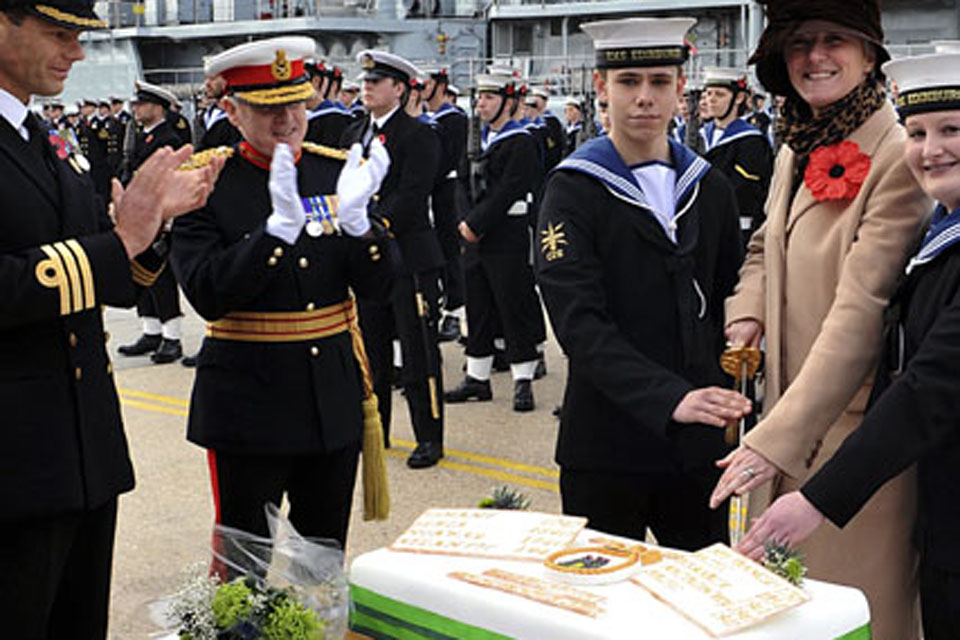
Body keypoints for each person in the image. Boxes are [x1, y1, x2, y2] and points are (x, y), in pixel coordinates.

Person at [707, 1, 931, 637]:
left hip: (847, 439)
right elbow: (762, 248)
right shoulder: (799, 144)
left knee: (853, 616)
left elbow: (860, 313)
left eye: (835, 39)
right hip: (784, 414)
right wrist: (746, 314)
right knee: (784, 616)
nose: (815, 57)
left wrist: (775, 439)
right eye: (800, 44)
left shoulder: (896, 153)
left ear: (869, 55)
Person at [0, 0, 220, 634]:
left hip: (80, 454)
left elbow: (110, 270)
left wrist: (152, 230)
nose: (76, 52)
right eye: (59, 33)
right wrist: (121, 240)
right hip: (10, 466)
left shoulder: (44, 139)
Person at [170, 36, 393, 550]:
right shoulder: (204, 181)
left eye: (295, 102)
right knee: (244, 567)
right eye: (267, 107)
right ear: (230, 109)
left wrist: (363, 229)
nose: (287, 119)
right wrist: (272, 234)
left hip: (330, 398)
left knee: (323, 557)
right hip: (249, 402)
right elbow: (206, 292)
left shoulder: (333, 170)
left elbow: (382, 287)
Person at [535, 16, 749, 551]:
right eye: (629, 83)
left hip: (699, 446)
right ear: (602, 88)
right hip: (607, 443)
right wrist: (669, 397)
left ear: (681, 89)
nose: (644, 98)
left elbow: (729, 293)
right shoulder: (572, 189)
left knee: (704, 608)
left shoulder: (710, 186)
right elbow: (578, 323)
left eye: (659, 81)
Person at [341, 50, 445, 469]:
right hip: (367, 258)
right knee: (373, 351)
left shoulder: (418, 134)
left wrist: (373, 225)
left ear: (399, 89)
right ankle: (376, 429)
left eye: (377, 81)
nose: (367, 87)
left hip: (407, 255)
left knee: (418, 354)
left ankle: (429, 436)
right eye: (365, 81)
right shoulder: (353, 132)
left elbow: (414, 193)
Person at [446, 70, 546, 413]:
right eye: (480, 98)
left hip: (506, 234)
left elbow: (510, 189)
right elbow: (460, 181)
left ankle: (523, 379)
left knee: (511, 305)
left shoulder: (521, 141)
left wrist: (475, 223)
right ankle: (477, 376)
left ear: (508, 101)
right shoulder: (477, 139)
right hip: (475, 236)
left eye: (489, 98)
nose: (481, 104)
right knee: (478, 307)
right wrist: (464, 220)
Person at [117, 81, 189, 364]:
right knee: (140, 271)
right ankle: (151, 330)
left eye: (141, 104)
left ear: (157, 108)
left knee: (160, 276)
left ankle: (172, 337)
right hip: (138, 215)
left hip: (158, 217)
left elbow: (168, 181)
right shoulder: (142, 136)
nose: (136, 109)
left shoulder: (167, 139)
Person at [700, 67, 774, 246]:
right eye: (708, 93)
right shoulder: (700, 135)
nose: (711, 100)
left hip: (737, 230)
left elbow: (744, 189)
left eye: (719, 94)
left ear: (738, 98)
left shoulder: (751, 141)